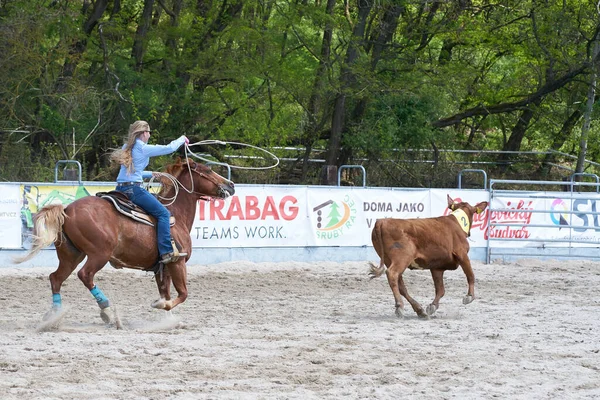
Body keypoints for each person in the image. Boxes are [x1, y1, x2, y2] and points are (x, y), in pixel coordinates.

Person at [110, 120, 188, 264]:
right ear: (144, 133)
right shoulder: (143, 148)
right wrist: (182, 139)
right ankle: (166, 251)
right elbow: (169, 148)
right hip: (133, 190)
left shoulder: (126, 147)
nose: (149, 135)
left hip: (120, 188)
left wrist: (149, 174)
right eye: (149, 133)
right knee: (163, 213)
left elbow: (132, 171)